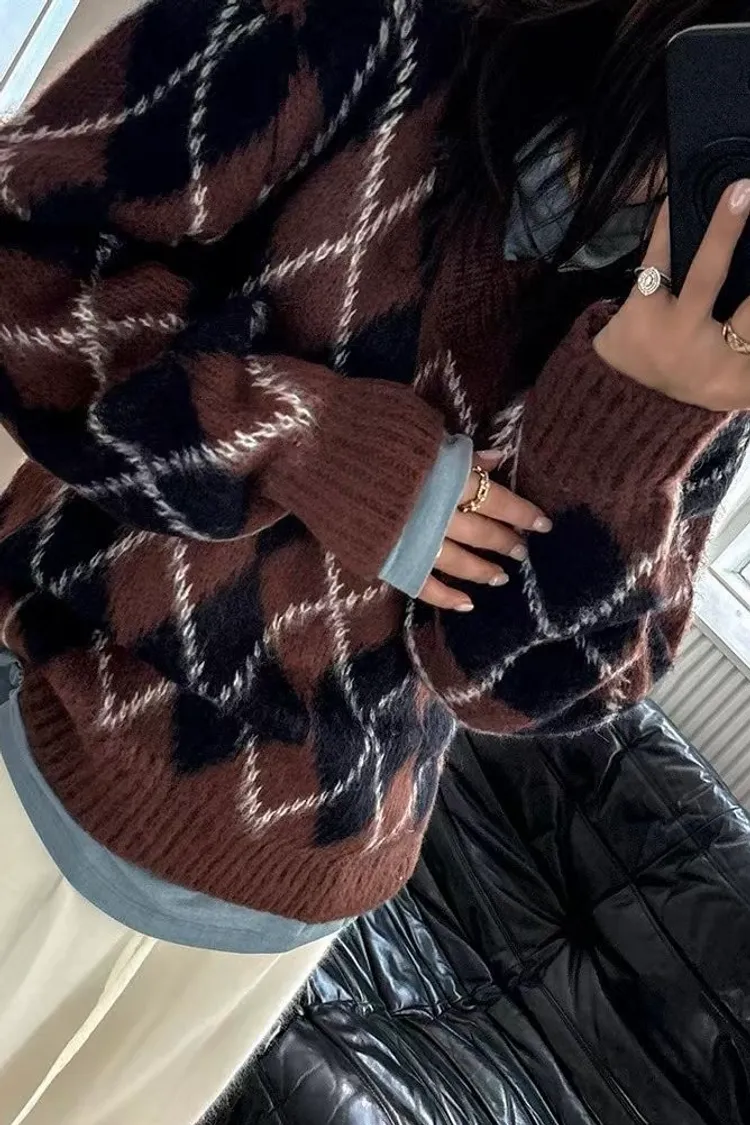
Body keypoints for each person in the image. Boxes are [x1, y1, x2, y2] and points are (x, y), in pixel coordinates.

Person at [0, 0, 749, 1121]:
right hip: (48, 759)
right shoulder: (368, 26)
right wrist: (314, 446)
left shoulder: (720, 305)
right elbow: (26, 256)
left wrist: (628, 430)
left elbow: (510, 688)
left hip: (295, 903)